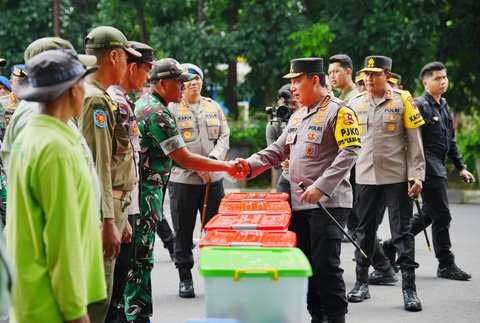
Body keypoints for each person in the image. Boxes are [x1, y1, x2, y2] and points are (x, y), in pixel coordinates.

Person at [235, 57, 361, 323]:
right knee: (304, 266)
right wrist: (247, 166)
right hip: (299, 203)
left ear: (314, 79)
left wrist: (321, 187)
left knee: (326, 266)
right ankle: (317, 315)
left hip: (329, 203)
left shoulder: (339, 111)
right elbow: (277, 150)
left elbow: (350, 151)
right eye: (290, 81)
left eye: (296, 80)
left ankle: (336, 317)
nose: (292, 87)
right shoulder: (299, 115)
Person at [123, 58, 242, 323]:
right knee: (141, 259)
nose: (184, 86)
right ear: (163, 83)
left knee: (138, 259)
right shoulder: (158, 113)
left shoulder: (149, 105)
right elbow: (185, 158)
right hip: (146, 195)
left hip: (145, 192)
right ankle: (136, 315)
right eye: (179, 82)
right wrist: (228, 166)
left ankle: (134, 313)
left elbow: (223, 134)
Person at [6, 48, 106, 323]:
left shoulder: (31, 137)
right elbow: (62, 238)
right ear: (74, 90)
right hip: (53, 304)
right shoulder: (56, 148)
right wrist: (76, 312)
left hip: (34, 294)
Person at [379, 62, 475, 281]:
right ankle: (446, 264)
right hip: (427, 167)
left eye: (444, 77)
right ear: (425, 82)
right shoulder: (420, 106)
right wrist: (414, 173)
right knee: (442, 215)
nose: (442, 81)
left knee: (430, 213)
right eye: (436, 78)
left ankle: (389, 245)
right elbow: (410, 141)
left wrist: (461, 167)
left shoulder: (444, 106)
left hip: (439, 165)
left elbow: (450, 140)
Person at [347, 55, 425, 312]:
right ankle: (360, 283)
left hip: (397, 177)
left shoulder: (404, 99)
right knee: (364, 232)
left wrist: (417, 175)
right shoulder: (355, 102)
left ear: (388, 76)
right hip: (365, 176)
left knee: (402, 232)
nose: (369, 79)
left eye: (375, 74)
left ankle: (409, 289)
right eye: (366, 75)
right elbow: (346, 143)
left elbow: (414, 141)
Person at [77, 25, 141, 323]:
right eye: (127, 59)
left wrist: (121, 218)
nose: (129, 66)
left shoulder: (97, 95)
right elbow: (97, 165)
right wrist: (107, 220)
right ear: (113, 56)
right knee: (97, 299)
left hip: (114, 206)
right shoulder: (96, 100)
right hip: (102, 209)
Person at [105, 40, 157, 323]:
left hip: (130, 203)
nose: (148, 78)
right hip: (120, 206)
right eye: (146, 70)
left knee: (122, 280)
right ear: (132, 66)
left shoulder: (126, 102)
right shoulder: (112, 103)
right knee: (114, 290)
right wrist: (117, 216)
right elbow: (106, 165)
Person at [167, 63, 230, 298]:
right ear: (182, 83)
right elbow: (172, 145)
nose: (194, 82)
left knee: (215, 229)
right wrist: (198, 168)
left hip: (212, 180)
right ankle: (185, 277)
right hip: (183, 180)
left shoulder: (213, 107)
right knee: (182, 231)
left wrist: (211, 161)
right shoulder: (172, 108)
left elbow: (224, 136)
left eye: (198, 78)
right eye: (189, 79)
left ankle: (216, 277)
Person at [328, 54, 360, 242]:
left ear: (348, 72)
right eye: (330, 72)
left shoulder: (354, 98)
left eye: (336, 71)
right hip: (348, 158)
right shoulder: (343, 96)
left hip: (353, 158)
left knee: (359, 218)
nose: (332, 76)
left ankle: (380, 264)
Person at [265, 84, 301, 200]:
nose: (289, 108)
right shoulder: (274, 126)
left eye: (293, 104)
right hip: (287, 177)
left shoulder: (309, 119)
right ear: (279, 103)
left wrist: (295, 164)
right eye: (285, 104)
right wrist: (282, 161)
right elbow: (273, 162)